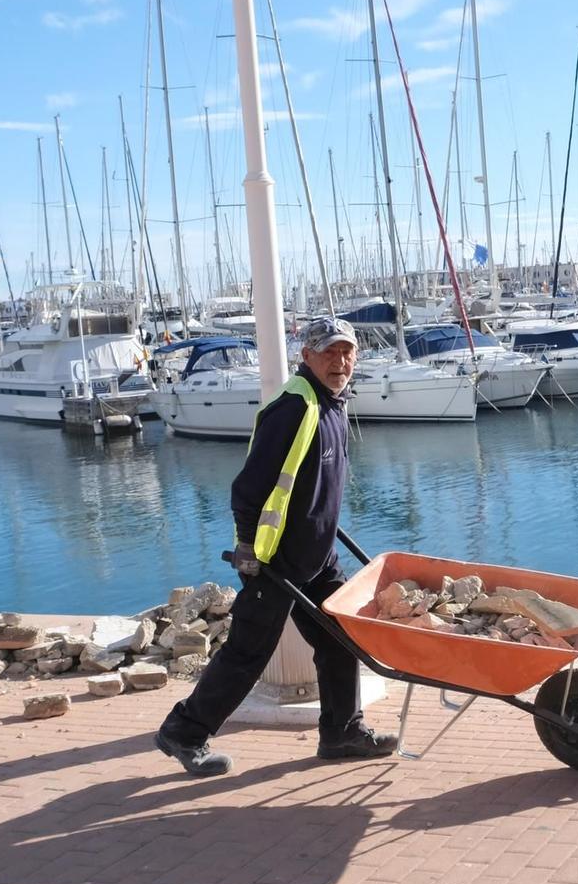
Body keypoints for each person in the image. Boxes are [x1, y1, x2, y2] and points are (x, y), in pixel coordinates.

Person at [154, 316, 399, 777]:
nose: (339, 361)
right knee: (249, 652)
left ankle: (342, 732)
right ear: (306, 357)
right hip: (277, 559)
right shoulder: (294, 407)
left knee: (341, 641)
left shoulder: (334, 404)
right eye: (328, 352)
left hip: (318, 554)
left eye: (346, 352)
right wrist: (248, 546)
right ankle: (184, 732)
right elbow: (249, 487)